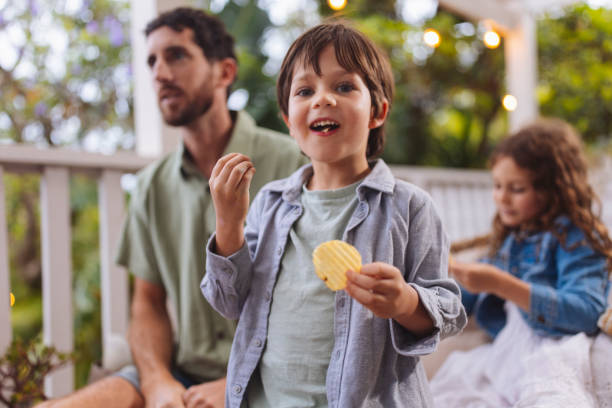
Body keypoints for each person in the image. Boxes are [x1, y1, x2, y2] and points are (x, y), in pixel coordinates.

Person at [36, 7, 306, 408]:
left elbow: (316, 299)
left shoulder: (296, 164)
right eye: (151, 61)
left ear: (224, 72)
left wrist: (239, 380)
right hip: (184, 376)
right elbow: (147, 301)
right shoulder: (149, 186)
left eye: (176, 55)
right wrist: (157, 379)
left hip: (276, 376)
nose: (159, 73)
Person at [201, 21, 467, 408]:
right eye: (305, 90)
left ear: (377, 112)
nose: (322, 99)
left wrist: (405, 302)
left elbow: (449, 310)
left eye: (344, 87)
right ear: (289, 122)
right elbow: (230, 301)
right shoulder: (269, 203)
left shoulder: (411, 207)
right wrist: (228, 223)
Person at [430, 118, 612, 407]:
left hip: (556, 352)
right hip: (507, 356)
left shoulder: (575, 238)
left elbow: (587, 312)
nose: (502, 198)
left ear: (553, 190)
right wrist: (420, 289)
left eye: (516, 189)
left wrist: (502, 285)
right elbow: (462, 299)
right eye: (498, 185)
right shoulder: (511, 239)